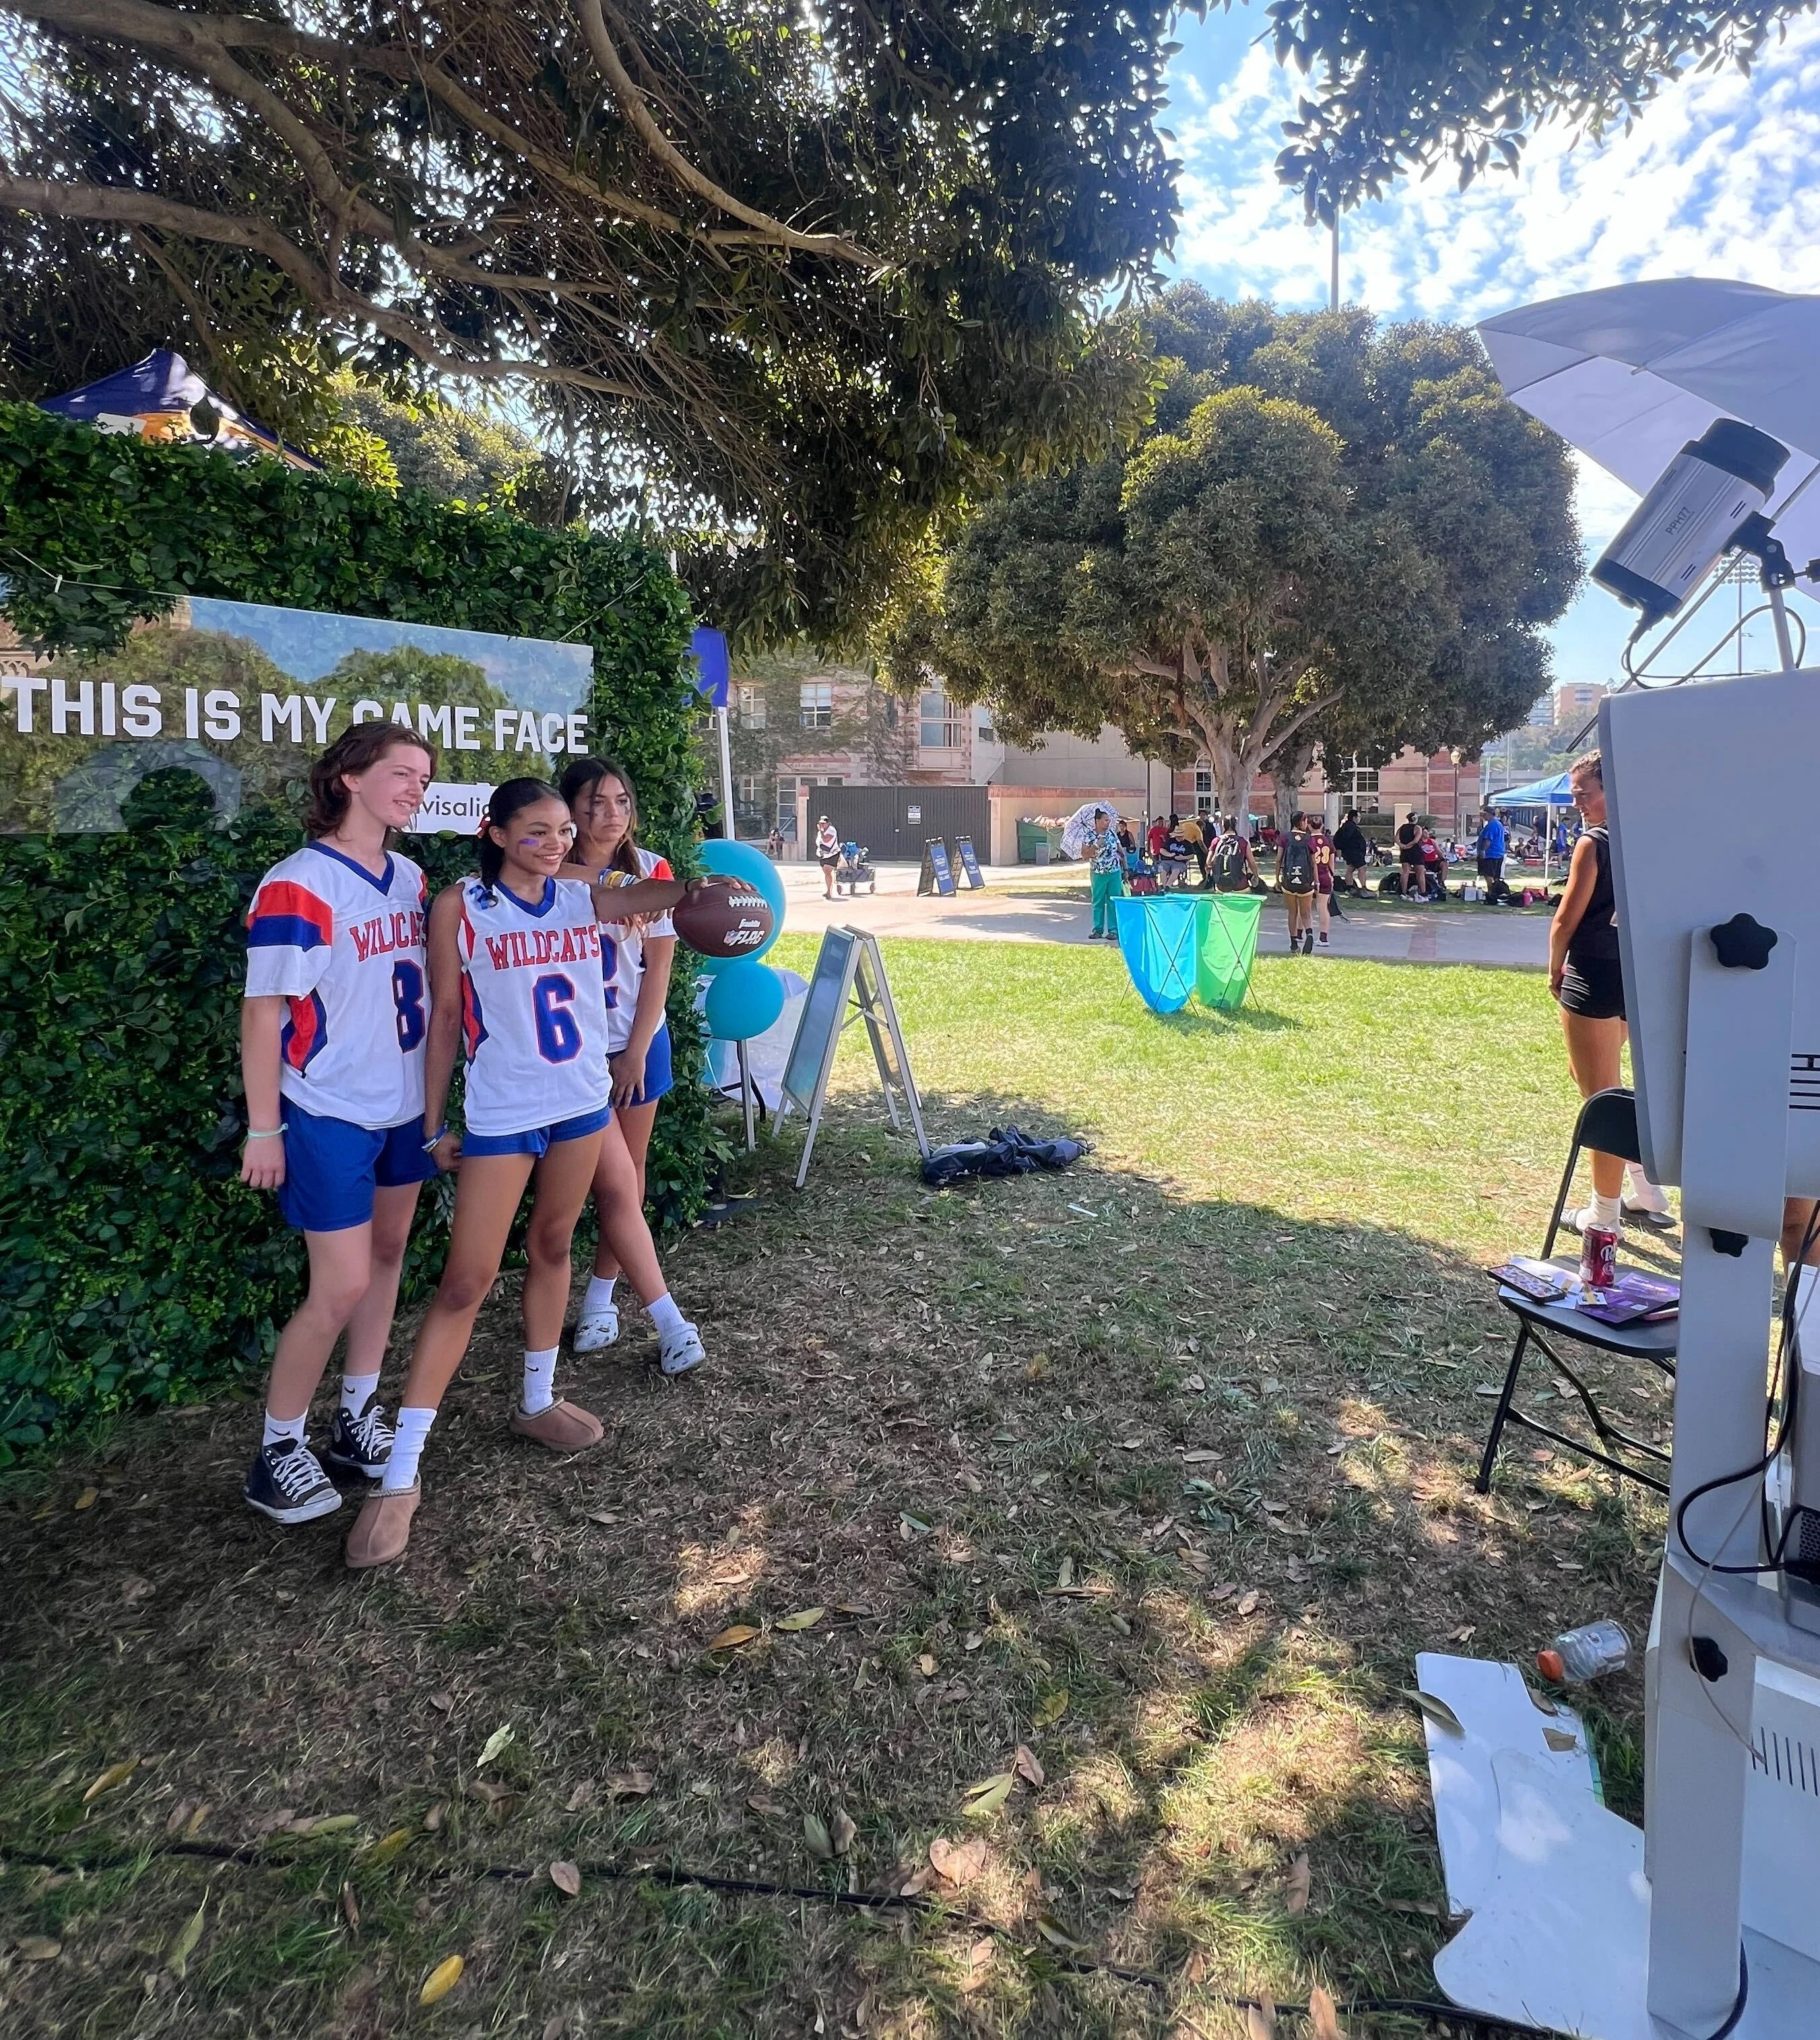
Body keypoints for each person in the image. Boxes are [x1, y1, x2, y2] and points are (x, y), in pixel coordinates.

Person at [343, 779, 705, 1569]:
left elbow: (658, 900)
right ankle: (400, 1473)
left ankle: (537, 1398)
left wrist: (703, 893)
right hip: (503, 1113)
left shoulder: (585, 892)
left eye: (564, 830)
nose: (555, 842)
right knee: (465, 1281)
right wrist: (432, 1123)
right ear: (496, 832)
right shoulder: (460, 905)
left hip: (580, 1102)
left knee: (552, 1246)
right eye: (536, 830)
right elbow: (443, 1015)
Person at [238, 724, 440, 1525]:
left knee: (387, 1257)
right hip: (328, 1107)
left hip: (401, 1105)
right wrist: (264, 1127)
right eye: (401, 772)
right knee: (342, 1281)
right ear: (350, 779)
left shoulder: (411, 878)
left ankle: (356, 1418)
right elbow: (262, 1014)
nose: (416, 787)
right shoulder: (299, 882)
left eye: (424, 778)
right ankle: (278, 1448)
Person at [559, 758, 701, 1364]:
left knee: (629, 1176)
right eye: (595, 802)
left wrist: (637, 1051)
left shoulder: (652, 870)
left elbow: (659, 969)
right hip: (572, 1053)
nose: (610, 814)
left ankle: (600, 1297)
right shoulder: (545, 875)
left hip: (637, 1041)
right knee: (601, 1181)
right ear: (569, 809)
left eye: (620, 800)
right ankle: (629, 1309)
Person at [1548, 752, 1675, 1237]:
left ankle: (1604, 1214)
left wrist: (1555, 963)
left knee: (1601, 1096)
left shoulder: (1594, 842)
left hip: (1595, 972)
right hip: (1636, 973)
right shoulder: (1655, 838)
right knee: (1593, 1077)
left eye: (1585, 792)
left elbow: (1566, 917)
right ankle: (1646, 1189)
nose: (1577, 801)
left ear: (1611, 789)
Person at [1280, 812, 1317, 954]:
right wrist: (1316, 881)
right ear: (1301, 822)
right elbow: (1313, 862)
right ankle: (1309, 934)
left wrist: (1277, 876)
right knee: (1306, 912)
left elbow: (1279, 859)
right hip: (1306, 880)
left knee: (1292, 912)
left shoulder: (1284, 837)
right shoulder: (1309, 839)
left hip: (1289, 880)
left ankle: (1294, 943)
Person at [1086, 806, 1124, 940]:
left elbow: (1120, 850)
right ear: (1097, 821)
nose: (1108, 822)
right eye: (1105, 820)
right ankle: (1098, 929)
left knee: (1113, 900)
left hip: (1114, 872)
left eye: (1109, 820)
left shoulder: (1112, 834)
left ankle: (1113, 930)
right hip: (1098, 873)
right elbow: (1085, 855)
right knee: (1098, 901)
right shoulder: (1089, 836)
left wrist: (1125, 867)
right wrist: (1096, 845)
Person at [1209, 815, 1257, 893]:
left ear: (1223, 825)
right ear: (1235, 825)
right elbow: (1252, 863)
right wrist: (1256, 876)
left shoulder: (1216, 841)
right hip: (1240, 883)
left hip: (1221, 885)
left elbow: (1208, 862)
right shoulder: (1243, 842)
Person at [1309, 815, 1336, 947]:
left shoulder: (1308, 841)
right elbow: (1332, 861)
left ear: (1309, 826)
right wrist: (1332, 876)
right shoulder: (1328, 841)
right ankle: (1323, 937)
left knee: (1304, 906)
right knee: (1323, 907)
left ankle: (1300, 934)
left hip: (1310, 877)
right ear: (1322, 826)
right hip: (1325, 875)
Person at [1476, 807, 1510, 904]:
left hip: (1491, 854)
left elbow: (1488, 841)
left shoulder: (1492, 825)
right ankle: (1496, 891)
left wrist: (1482, 852)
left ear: (1490, 814)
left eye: (1485, 814)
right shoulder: (1498, 824)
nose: (1483, 816)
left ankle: (1492, 892)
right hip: (1498, 853)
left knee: (1488, 874)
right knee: (1495, 875)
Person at [1334, 806, 1371, 892]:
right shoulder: (1349, 826)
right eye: (1359, 817)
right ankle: (1363, 887)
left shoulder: (1349, 826)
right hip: (1353, 852)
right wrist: (1339, 848)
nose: (1359, 819)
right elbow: (1343, 838)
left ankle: (1349, 886)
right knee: (1362, 868)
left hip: (1353, 852)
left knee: (1351, 868)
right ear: (1354, 817)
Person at [1396, 812, 1425, 899]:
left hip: (1405, 852)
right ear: (1415, 819)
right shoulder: (1418, 828)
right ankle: (1423, 892)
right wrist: (1407, 846)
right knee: (1420, 872)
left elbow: (1396, 838)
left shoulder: (1402, 827)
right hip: (1415, 852)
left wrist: (1402, 846)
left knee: (1405, 872)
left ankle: (1403, 892)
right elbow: (1416, 841)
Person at [814, 814, 840, 898]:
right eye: (821, 823)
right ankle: (828, 890)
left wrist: (821, 831)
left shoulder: (832, 830)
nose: (822, 825)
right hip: (823, 855)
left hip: (832, 854)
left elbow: (826, 840)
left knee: (828, 871)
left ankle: (829, 891)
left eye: (824, 823)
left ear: (828, 823)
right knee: (826, 873)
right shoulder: (820, 832)